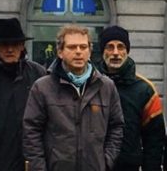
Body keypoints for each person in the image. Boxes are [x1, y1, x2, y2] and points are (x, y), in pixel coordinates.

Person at [22, 24, 125, 171]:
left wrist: (106, 161)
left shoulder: (106, 87)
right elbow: (31, 132)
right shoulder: (42, 88)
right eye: (72, 47)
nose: (78, 52)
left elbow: (117, 127)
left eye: (83, 47)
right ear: (60, 52)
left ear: (90, 51)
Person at [0, 18, 48, 171]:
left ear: (22, 46)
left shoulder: (38, 74)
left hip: (34, 162)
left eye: (14, 44)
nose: (10, 49)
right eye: (4, 44)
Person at [96, 26, 165, 171]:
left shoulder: (145, 90)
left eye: (120, 47)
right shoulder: (89, 84)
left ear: (127, 51)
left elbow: (154, 141)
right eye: (110, 47)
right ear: (102, 51)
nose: (115, 53)